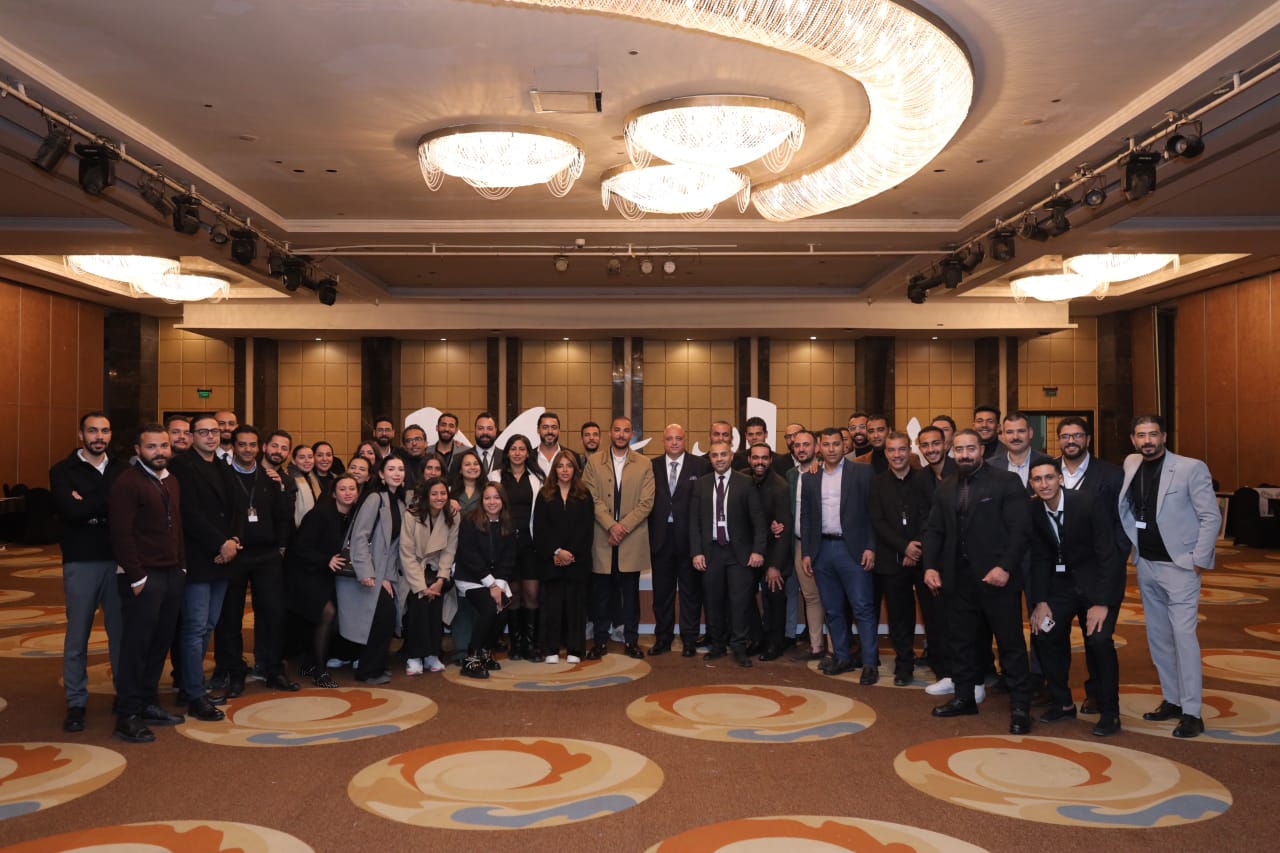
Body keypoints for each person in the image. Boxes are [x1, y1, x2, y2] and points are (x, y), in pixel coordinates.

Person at [923, 429, 1034, 734]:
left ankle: (1021, 707)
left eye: (970, 449)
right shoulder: (946, 486)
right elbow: (934, 531)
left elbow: (1020, 530)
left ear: (982, 450)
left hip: (997, 580)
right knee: (961, 642)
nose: (965, 455)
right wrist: (930, 566)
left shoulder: (1006, 482)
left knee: (1010, 644)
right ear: (952, 451)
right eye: (959, 450)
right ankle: (964, 697)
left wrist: (1005, 567)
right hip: (958, 581)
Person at [1119, 414, 1220, 739]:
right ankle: (1173, 699)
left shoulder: (1191, 468)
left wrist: (1198, 560)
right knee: (1158, 637)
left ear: (1163, 436)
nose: (1147, 440)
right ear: (1133, 439)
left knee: (1183, 637)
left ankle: (1192, 712)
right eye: (1140, 435)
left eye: (1152, 434)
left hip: (1180, 567)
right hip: (1146, 563)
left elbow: (1210, 516)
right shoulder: (1131, 463)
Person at [1027, 460, 1125, 736]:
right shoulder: (1033, 509)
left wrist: (1102, 603)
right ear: (1031, 484)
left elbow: (1108, 553)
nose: (1044, 484)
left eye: (1049, 477)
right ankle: (1062, 702)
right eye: (1037, 479)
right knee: (1044, 631)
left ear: (1060, 479)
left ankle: (1110, 712)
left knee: (1099, 640)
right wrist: (1041, 601)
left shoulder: (1087, 503)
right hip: (1061, 588)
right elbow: (1039, 557)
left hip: (1097, 586)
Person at [108, 424, 186, 743]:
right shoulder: (127, 483)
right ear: (138, 450)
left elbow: (176, 527)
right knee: (136, 647)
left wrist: (181, 567)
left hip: (171, 574)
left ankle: (148, 703)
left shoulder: (171, 480)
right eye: (152, 447)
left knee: (159, 644)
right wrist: (137, 576)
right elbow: (121, 534)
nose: (159, 452)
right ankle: (127, 715)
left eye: (164, 446)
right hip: (143, 577)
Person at [50, 411, 127, 733]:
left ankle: (125, 695)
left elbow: (121, 509)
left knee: (121, 634)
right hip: (80, 560)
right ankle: (76, 702)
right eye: (92, 431)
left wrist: (88, 505)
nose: (99, 436)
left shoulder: (123, 468)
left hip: (119, 560)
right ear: (81, 434)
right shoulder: (62, 470)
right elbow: (71, 511)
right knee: (78, 636)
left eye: (105, 431)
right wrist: (107, 502)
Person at [215, 425, 297, 694]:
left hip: (267, 555)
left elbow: (283, 515)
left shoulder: (270, 478)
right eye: (242, 444)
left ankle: (273, 670)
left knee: (273, 614)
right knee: (230, 617)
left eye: (252, 445)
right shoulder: (223, 477)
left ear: (259, 447)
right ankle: (234, 672)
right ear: (234, 446)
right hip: (235, 556)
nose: (247, 449)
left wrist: (281, 547)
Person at [167, 415, 240, 714]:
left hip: (223, 558)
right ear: (192, 436)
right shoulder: (182, 466)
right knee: (195, 628)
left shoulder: (222, 465)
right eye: (204, 432)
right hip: (198, 557)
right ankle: (193, 693)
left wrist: (232, 541)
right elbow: (188, 513)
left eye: (215, 431)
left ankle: (191, 685)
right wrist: (219, 543)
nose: (211, 436)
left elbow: (235, 508)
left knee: (209, 625)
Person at [1055, 415, 1128, 715]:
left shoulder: (1112, 475)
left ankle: (1101, 698)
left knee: (1098, 639)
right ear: (1059, 440)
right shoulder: (1047, 472)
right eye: (1065, 436)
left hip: (1099, 574)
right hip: (1059, 577)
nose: (1071, 441)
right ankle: (1057, 697)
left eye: (1077, 435)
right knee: (1050, 635)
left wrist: (1115, 557)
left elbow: (1122, 523)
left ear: (1087, 439)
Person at [800, 428, 878, 682]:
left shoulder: (862, 472)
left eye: (836, 444)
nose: (832, 449)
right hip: (822, 550)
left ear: (844, 446)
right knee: (832, 609)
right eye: (827, 444)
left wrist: (871, 546)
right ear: (819, 447)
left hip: (852, 549)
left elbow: (874, 513)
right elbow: (806, 517)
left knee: (862, 607)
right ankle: (842, 656)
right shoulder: (810, 477)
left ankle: (870, 663)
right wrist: (807, 552)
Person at [582, 416, 655, 659]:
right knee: (601, 596)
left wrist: (622, 527)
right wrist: (611, 526)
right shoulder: (594, 462)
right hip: (602, 538)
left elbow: (646, 502)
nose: (621, 434)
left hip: (631, 539)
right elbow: (590, 497)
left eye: (626, 431)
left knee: (630, 597)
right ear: (610, 433)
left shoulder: (644, 464)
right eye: (617, 430)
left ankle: (631, 641)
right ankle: (600, 641)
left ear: (631, 434)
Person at [690, 441, 766, 667]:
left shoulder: (746, 482)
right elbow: (694, 523)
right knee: (712, 601)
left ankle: (739, 646)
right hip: (711, 551)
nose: (719, 459)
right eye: (715, 455)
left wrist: (758, 550)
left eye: (723, 454)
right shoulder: (701, 484)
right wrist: (696, 552)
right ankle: (717, 645)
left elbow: (758, 520)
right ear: (710, 458)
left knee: (740, 602)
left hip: (739, 553)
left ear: (731, 456)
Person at [869, 432, 935, 686]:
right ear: (886, 453)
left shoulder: (925, 480)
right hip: (891, 560)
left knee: (933, 614)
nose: (897, 455)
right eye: (891, 450)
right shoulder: (877, 483)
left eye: (901, 449)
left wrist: (916, 546)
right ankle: (904, 664)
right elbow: (877, 521)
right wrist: (904, 547)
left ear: (910, 451)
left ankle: (940, 662)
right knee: (899, 616)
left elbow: (931, 516)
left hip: (924, 559)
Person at [336, 456, 407, 685]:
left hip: (383, 573)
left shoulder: (399, 503)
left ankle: (374, 667)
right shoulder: (375, 498)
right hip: (365, 571)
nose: (396, 473)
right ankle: (367, 670)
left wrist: (386, 577)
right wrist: (366, 571)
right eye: (391, 469)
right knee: (381, 617)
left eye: (400, 469)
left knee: (385, 618)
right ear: (381, 474)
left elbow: (394, 547)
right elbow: (359, 535)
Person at [285, 474, 361, 687]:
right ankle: (320, 671)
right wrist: (326, 559)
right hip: (306, 573)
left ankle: (311, 662)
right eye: (342, 489)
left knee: (341, 613)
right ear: (334, 493)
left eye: (352, 489)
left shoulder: (354, 515)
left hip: (330, 575)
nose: (347, 493)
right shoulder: (320, 514)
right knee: (328, 613)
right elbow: (299, 548)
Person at [647, 423, 710, 656]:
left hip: (689, 539)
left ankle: (689, 639)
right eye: (669, 438)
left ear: (685, 440)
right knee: (661, 593)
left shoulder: (700, 465)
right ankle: (663, 638)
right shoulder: (651, 466)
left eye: (678, 438)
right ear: (663, 441)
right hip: (660, 538)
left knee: (690, 593)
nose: (674, 442)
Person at [534, 451, 595, 663]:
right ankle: (550, 649)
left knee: (575, 608)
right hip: (552, 562)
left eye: (569, 465)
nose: (565, 470)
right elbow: (539, 529)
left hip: (577, 562)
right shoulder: (544, 495)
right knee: (552, 608)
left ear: (575, 469)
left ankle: (575, 650)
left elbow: (587, 529)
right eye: (560, 466)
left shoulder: (584, 495)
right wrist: (556, 552)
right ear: (555, 469)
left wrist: (570, 554)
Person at [453, 482, 517, 678]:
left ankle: (485, 651)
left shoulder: (508, 523)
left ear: (503, 501)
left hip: (495, 579)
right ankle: (471, 658)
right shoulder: (469, 521)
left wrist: (498, 584)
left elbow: (508, 558)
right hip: (470, 577)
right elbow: (469, 556)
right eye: (487, 498)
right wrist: (492, 585)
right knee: (490, 607)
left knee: (503, 607)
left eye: (496, 498)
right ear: (481, 501)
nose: (492, 502)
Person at [488, 434, 543, 659]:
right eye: (513, 449)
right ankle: (517, 645)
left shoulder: (537, 477)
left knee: (531, 593)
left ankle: (531, 644)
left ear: (528, 453)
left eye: (522, 449)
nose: (517, 453)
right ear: (507, 452)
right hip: (505, 542)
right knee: (513, 594)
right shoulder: (496, 476)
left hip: (530, 543)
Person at [399, 476, 458, 675]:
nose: (439, 497)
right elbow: (407, 553)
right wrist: (421, 586)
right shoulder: (411, 515)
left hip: (439, 570)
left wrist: (441, 580)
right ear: (426, 495)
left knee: (436, 599)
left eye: (443, 493)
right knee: (419, 600)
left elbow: (449, 551)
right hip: (412, 569)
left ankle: (432, 653)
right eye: (434, 494)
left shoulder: (452, 516)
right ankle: (415, 655)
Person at [745, 443, 793, 661]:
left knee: (774, 597)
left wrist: (775, 566)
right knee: (745, 594)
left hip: (774, 552)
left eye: (764, 458)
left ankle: (775, 643)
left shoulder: (780, 486)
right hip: (749, 551)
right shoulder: (742, 479)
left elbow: (784, 529)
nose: (760, 462)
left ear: (771, 460)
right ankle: (757, 638)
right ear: (749, 459)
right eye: (755, 458)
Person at [786, 430, 828, 662]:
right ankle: (816, 646)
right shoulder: (790, 474)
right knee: (811, 597)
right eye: (797, 445)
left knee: (831, 596)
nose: (801, 449)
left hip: (825, 544)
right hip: (799, 544)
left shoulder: (825, 472)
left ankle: (836, 648)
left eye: (806, 444)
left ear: (817, 447)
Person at [291, 444, 321, 526]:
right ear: (293, 460)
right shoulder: (289, 478)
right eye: (302, 457)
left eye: (310, 457)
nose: (307, 460)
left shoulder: (312, 477)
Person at [449, 448, 485, 515]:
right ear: (460, 470)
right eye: (467, 464)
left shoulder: (487, 490)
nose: (472, 467)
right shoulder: (449, 491)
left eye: (476, 464)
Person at [426, 412, 462, 477]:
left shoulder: (465, 452)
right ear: (437, 427)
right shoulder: (426, 452)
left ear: (456, 430)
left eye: (451, 426)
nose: (446, 429)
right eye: (443, 425)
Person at [534, 411, 565, 477]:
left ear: (559, 430)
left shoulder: (573, 456)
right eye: (545, 427)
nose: (550, 431)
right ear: (538, 430)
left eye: (554, 427)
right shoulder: (528, 458)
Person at [473, 412, 503, 477]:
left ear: (496, 430)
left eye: (489, 429)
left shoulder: (505, 457)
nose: (485, 432)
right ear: (475, 430)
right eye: (480, 428)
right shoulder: (461, 458)